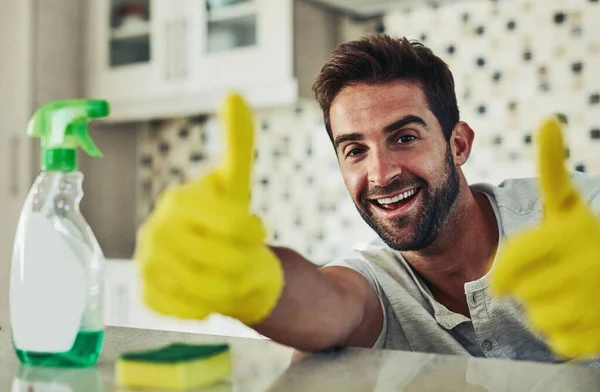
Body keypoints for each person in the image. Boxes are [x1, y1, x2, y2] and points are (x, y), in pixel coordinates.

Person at [135, 34, 600, 365]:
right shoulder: (376, 278)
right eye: (355, 150)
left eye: (404, 137)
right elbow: (325, 306)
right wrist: (247, 276)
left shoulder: (575, 218)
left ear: (458, 144)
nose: (380, 173)